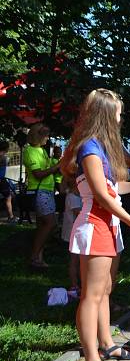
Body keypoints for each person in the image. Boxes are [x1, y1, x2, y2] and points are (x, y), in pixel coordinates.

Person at [61, 88, 130, 361]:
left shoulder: (100, 147)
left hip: (108, 225)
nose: (120, 116)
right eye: (117, 111)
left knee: (105, 291)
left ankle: (107, 344)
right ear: (105, 113)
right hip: (96, 224)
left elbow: (113, 188)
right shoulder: (89, 148)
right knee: (91, 296)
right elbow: (102, 197)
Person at [23, 123, 60, 269]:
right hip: (40, 191)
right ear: (38, 136)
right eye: (46, 135)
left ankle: (38, 258)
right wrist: (56, 167)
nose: (48, 138)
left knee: (42, 226)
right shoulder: (31, 151)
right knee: (51, 224)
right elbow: (38, 174)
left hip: (47, 190)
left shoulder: (41, 150)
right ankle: (34, 256)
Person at [61, 183, 82, 293]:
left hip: (76, 232)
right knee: (74, 260)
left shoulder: (76, 196)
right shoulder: (73, 197)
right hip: (73, 234)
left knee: (78, 259)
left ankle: (79, 281)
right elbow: (79, 213)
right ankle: (74, 284)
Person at [0, 140, 17, 223]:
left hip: (2, 180)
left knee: (8, 197)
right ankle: (11, 217)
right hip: (1, 180)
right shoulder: (3, 158)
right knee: (8, 198)